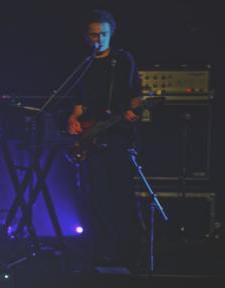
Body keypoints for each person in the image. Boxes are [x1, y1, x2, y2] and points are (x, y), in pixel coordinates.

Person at [67, 9, 143, 269]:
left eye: (103, 34)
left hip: (117, 136)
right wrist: (73, 119)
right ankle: (99, 251)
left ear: (111, 34)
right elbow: (79, 104)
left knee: (121, 196)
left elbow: (135, 95)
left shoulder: (122, 60)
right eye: (93, 35)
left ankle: (127, 253)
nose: (98, 39)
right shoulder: (84, 64)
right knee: (94, 197)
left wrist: (134, 111)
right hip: (91, 139)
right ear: (86, 36)